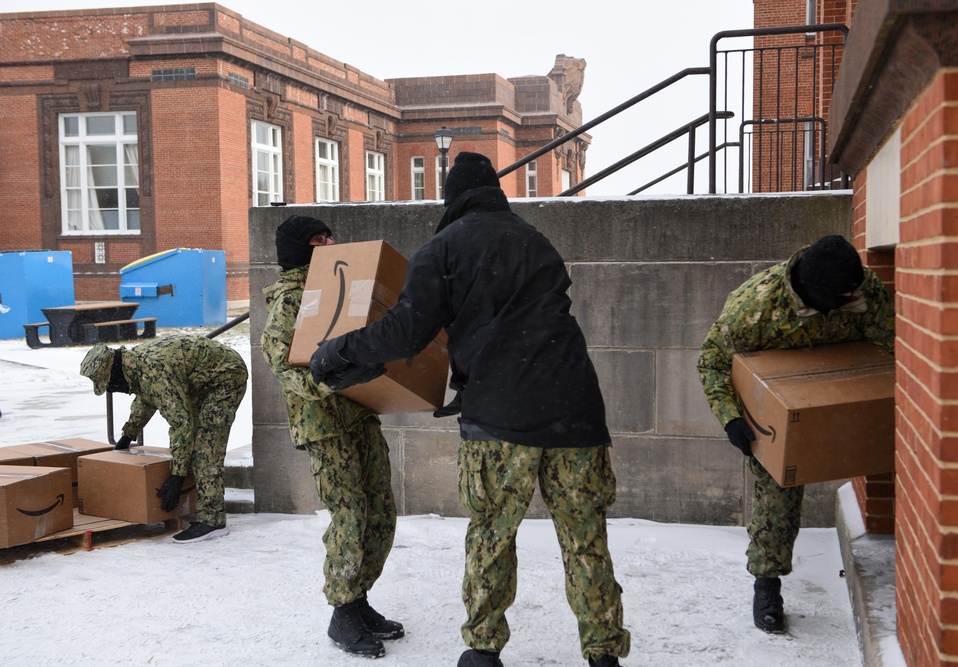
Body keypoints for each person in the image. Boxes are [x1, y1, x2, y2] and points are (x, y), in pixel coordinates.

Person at [310, 152, 631, 667]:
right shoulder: (536, 241)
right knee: (586, 539)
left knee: (491, 536)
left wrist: (340, 350)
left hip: (500, 418)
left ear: (450, 197)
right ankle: (604, 654)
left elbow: (408, 332)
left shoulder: (445, 247)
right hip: (577, 410)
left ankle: (483, 652)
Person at [696, 234, 895, 634]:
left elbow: (893, 345)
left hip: (845, 386)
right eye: (839, 297)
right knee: (777, 489)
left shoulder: (861, 288)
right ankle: (767, 584)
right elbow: (711, 361)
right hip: (779, 401)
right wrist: (732, 419)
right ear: (812, 292)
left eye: (851, 294)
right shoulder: (756, 307)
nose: (849, 300)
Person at [260, 215, 401, 660]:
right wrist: (332, 382)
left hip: (359, 415)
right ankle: (342, 610)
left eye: (329, 235)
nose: (331, 242)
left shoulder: (341, 284)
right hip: (324, 425)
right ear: (301, 249)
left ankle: (359, 599)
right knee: (351, 516)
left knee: (381, 511)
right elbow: (284, 367)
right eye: (320, 239)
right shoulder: (291, 299)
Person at [79, 334, 248, 544]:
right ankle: (199, 504)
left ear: (115, 374)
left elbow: (181, 423)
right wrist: (128, 435)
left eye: (111, 386)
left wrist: (177, 476)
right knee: (189, 443)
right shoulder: (134, 364)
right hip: (200, 380)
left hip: (225, 378)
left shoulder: (154, 370)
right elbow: (146, 398)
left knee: (206, 447)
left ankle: (213, 521)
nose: (116, 391)